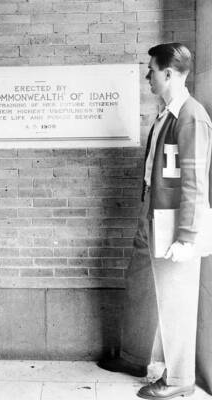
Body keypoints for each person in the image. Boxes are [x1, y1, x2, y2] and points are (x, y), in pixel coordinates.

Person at [97, 43, 212, 399]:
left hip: (175, 222)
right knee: (160, 296)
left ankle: (179, 381)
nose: (147, 75)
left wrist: (188, 235)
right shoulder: (170, 114)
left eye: (151, 70)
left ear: (169, 73)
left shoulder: (191, 115)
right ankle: (154, 366)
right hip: (158, 214)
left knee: (176, 301)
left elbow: (195, 180)